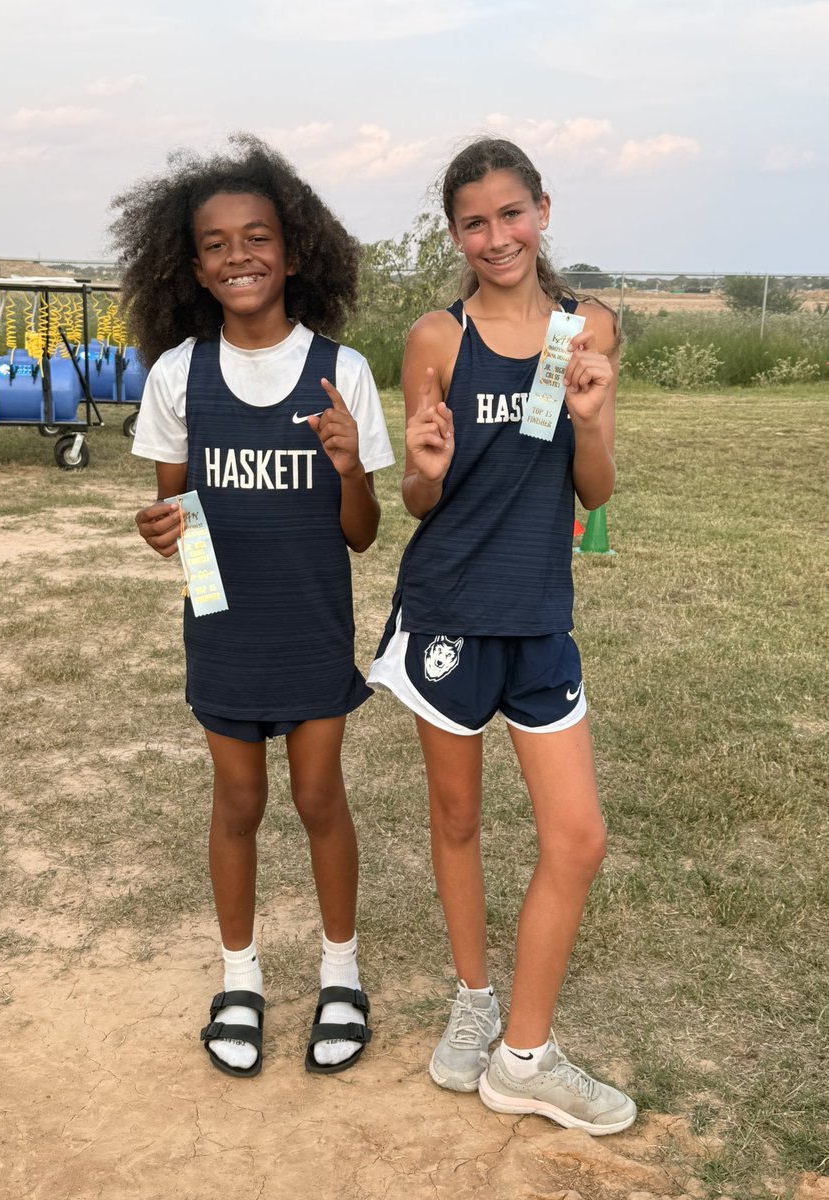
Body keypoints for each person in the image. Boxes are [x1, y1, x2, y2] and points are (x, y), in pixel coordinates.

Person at [368, 137, 636, 1134]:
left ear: (544, 210)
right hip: (447, 611)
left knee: (578, 836)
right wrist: (424, 466)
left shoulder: (591, 327)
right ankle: (475, 1002)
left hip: (538, 618)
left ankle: (522, 1058)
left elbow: (594, 493)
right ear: (456, 234)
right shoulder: (435, 336)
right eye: (475, 222)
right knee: (457, 819)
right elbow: (418, 500)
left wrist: (594, 421)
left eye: (512, 214)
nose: (496, 237)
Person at [112, 135, 394, 1078]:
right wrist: (168, 537)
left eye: (258, 236)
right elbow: (178, 515)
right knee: (237, 801)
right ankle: (240, 978)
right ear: (191, 265)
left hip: (313, 629)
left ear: (295, 250)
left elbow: (362, 533)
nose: (239, 254)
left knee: (319, 798)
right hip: (228, 635)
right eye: (217, 242)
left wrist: (350, 465)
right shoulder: (175, 377)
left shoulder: (339, 372)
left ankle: (341, 974)